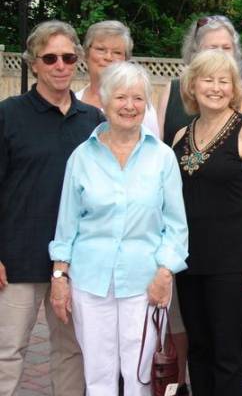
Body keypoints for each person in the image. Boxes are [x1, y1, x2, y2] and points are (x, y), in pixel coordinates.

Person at [48, 61, 188, 395]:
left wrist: (165, 274)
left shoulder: (163, 158)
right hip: (90, 281)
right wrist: (59, 278)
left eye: (138, 98)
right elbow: (66, 225)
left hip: (146, 282)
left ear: (147, 105)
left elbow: (176, 226)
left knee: (140, 374)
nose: (129, 106)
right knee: (98, 374)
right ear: (106, 103)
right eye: (121, 97)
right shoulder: (82, 157)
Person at [0, 20, 104, 396]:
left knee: (71, 351)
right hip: (18, 258)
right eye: (50, 58)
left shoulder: (94, 121)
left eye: (68, 57)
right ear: (34, 63)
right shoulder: (8, 115)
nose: (60, 65)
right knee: (7, 352)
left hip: (77, 261)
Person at [173, 49, 242, 396]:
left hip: (232, 264)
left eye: (223, 81)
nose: (215, 88)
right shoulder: (180, 137)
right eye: (207, 80)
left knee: (228, 353)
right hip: (189, 262)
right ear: (192, 86)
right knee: (199, 349)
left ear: (234, 89)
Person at [158, 15, 242, 145]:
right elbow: (158, 142)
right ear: (195, 51)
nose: (220, 53)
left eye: (226, 48)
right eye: (213, 48)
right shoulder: (173, 89)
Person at [75, 20, 160, 137]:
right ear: (86, 53)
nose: (108, 57)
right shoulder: (73, 102)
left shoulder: (140, 109)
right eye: (101, 49)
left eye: (117, 52)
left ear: (126, 59)